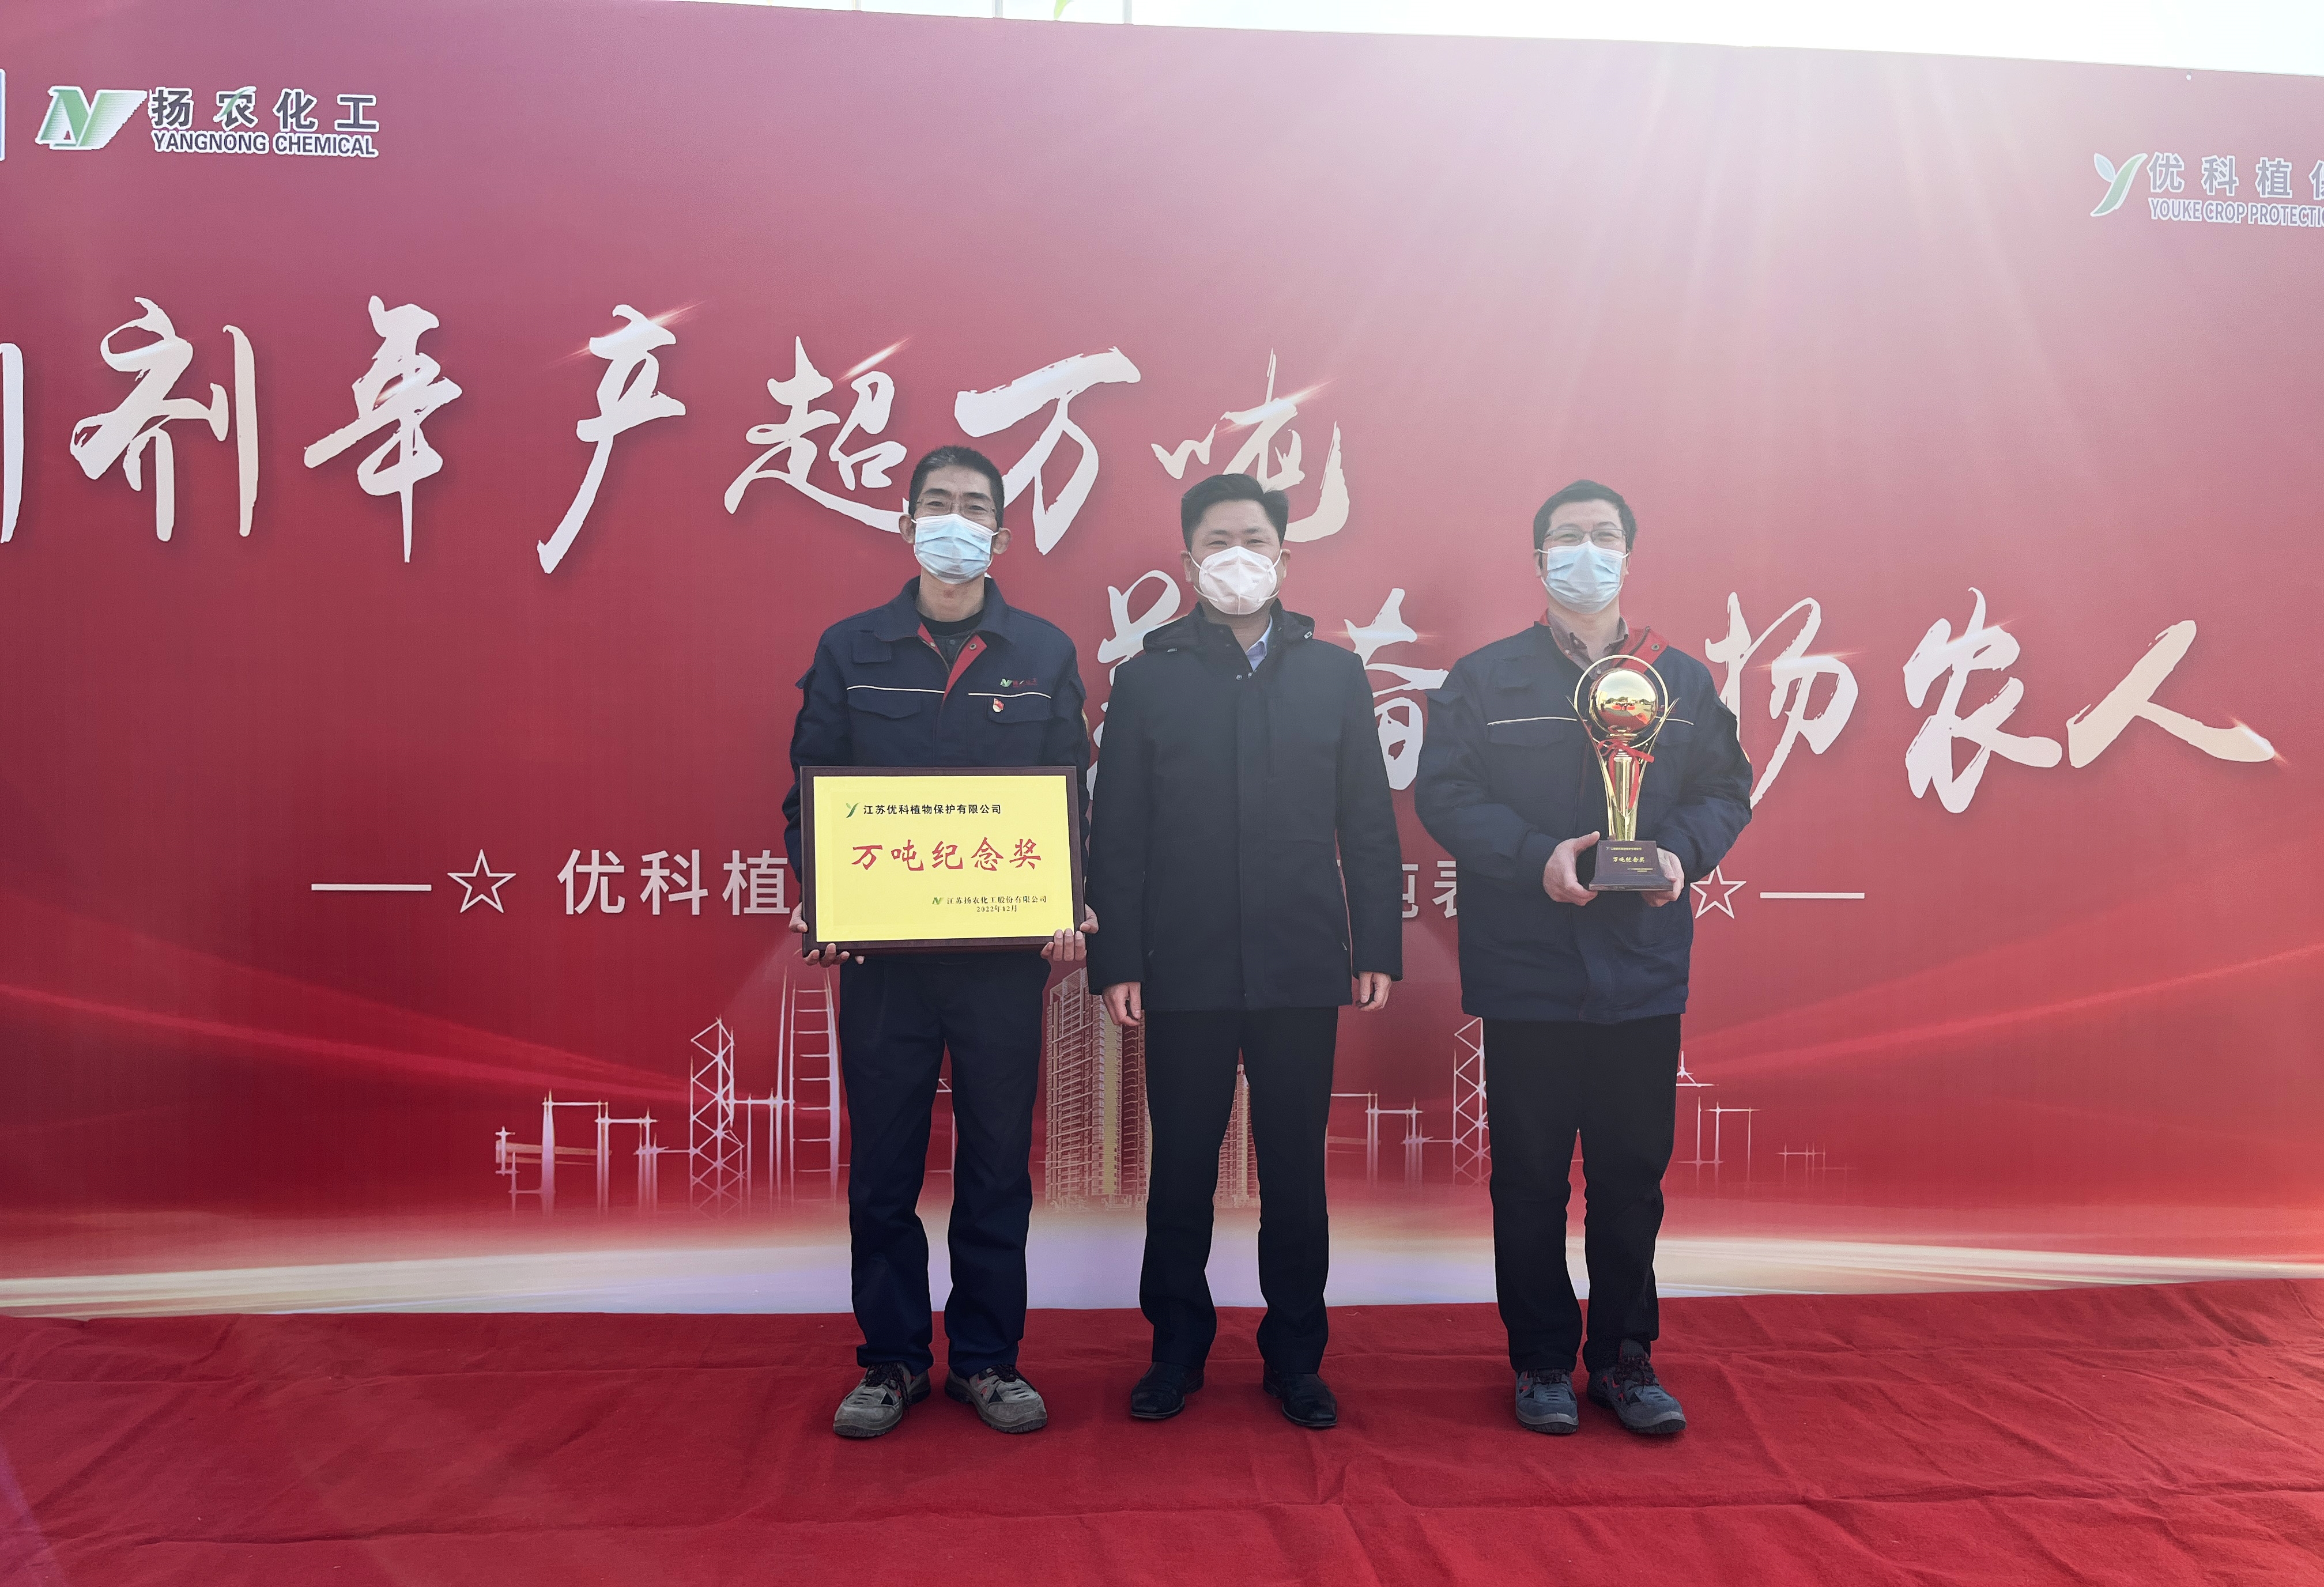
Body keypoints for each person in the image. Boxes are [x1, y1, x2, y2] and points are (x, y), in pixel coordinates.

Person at [1414, 479, 1750, 1438]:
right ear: (1540, 558)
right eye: (1568, 536)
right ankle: (1539, 1361)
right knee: (1527, 1178)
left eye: (1605, 535)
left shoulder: (1679, 680)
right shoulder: (1486, 680)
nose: (1586, 550)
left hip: (1641, 969)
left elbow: (1727, 787)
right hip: (1528, 969)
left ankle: (1624, 1358)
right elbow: (1445, 794)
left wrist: (1679, 852)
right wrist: (1537, 857)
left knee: (1632, 1176)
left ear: (1629, 556)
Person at [783, 444, 1096, 1440]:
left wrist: (1072, 899)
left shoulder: (1043, 652)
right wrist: (826, 897)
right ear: (907, 522)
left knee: (997, 1165)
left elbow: (1072, 800)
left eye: (975, 507)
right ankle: (892, 1360)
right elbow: (810, 793)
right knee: (884, 1168)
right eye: (938, 503)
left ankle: (989, 1359)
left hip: (1003, 964)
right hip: (884, 965)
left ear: (1002, 534)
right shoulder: (851, 648)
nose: (955, 521)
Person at [1086, 471, 1404, 1430]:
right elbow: (1118, 832)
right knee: (1182, 1169)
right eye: (1218, 541)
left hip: (1302, 959)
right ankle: (1175, 1352)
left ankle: (1296, 1357)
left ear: (1283, 557)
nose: (1237, 556)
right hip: (1182, 963)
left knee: (1295, 1174)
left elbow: (1368, 821)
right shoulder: (1148, 679)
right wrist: (1118, 959)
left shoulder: (1334, 675)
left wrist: (1375, 941)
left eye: (1254, 540)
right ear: (1189, 562)